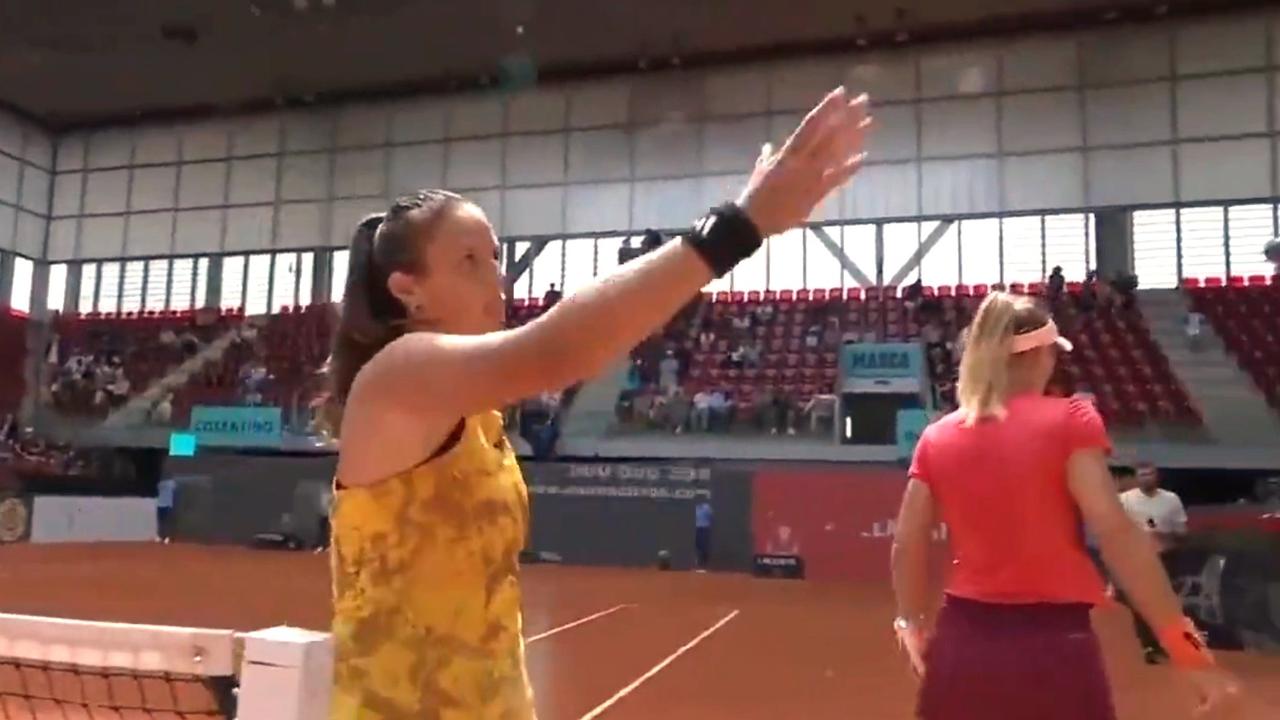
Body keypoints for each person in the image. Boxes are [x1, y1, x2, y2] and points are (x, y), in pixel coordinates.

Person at [322, 86, 872, 719]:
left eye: (495, 258)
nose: (494, 278)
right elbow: (557, 351)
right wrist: (736, 228)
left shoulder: (474, 416)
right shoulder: (399, 373)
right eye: (469, 261)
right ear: (407, 291)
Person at [891, 292, 1238, 720]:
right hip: (1052, 646)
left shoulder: (937, 436)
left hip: (961, 646)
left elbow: (908, 543)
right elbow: (1117, 535)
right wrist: (1187, 650)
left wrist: (910, 623)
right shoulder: (1071, 420)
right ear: (1038, 355)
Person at [1118, 462, 1189, 664]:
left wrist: (1165, 533)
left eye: (1149, 474)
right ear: (1136, 477)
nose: (1146, 477)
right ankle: (1148, 646)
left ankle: (1167, 644)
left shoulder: (1171, 499)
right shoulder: (1125, 500)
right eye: (1142, 474)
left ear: (1156, 476)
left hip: (1165, 557)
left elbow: (1183, 532)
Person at [694, 500, 713, 570]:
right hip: (697, 528)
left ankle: (705, 563)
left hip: (705, 528)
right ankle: (699, 562)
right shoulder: (695, 507)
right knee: (698, 545)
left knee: (704, 545)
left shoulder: (707, 507)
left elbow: (711, 516)